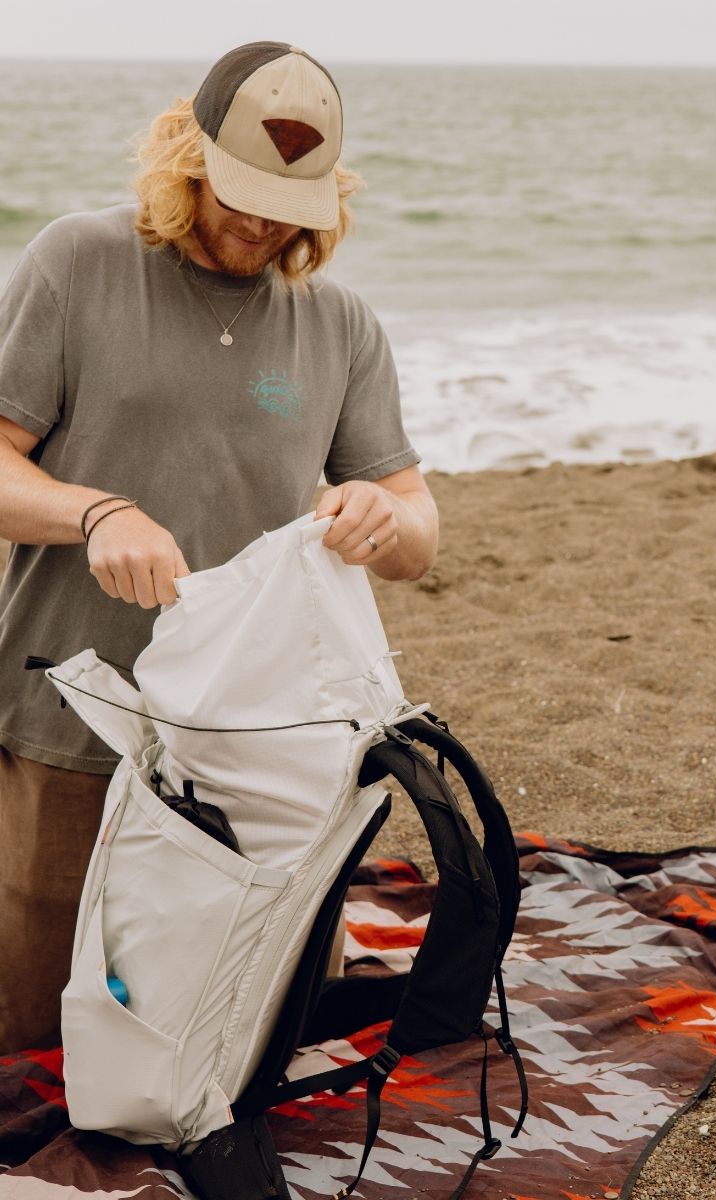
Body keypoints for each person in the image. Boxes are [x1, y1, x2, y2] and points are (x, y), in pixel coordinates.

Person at [0, 42, 438, 1052]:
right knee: (42, 1042)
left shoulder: (340, 325)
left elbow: (417, 531)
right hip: (72, 713)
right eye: (237, 190)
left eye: (290, 200)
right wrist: (95, 513)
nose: (260, 220)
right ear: (185, 158)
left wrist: (383, 518)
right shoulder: (77, 261)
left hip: (258, 738)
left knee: (245, 1026)